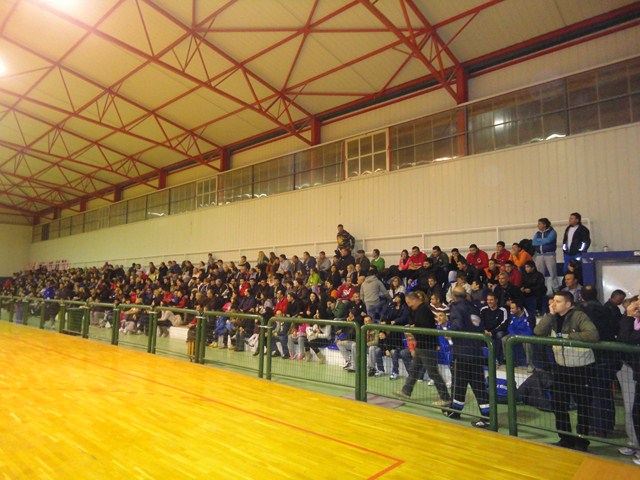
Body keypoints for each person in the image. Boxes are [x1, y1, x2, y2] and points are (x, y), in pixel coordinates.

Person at [534, 291, 599, 452]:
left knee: (583, 406)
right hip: (561, 367)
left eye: (558, 301)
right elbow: (538, 331)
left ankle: (582, 441)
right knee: (559, 404)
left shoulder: (579, 316)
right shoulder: (552, 317)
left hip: (581, 368)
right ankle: (565, 438)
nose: (553, 304)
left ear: (568, 304)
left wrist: (569, 337)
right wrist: (549, 314)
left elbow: (593, 334)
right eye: (553, 301)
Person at [394, 292, 451, 405]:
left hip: (427, 346)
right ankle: (406, 391)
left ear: (414, 300)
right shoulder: (418, 310)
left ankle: (445, 398)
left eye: (409, 302)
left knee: (433, 373)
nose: (408, 305)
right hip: (421, 345)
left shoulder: (424, 310)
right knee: (414, 370)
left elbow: (424, 326)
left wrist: (414, 328)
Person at [577, 285, 619, 437]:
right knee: (605, 392)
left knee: (590, 391)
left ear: (581, 296)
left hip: (590, 357)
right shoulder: (608, 310)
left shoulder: (580, 313)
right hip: (608, 356)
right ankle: (606, 426)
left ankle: (594, 425)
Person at [447, 288, 491, 428]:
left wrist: (449, 333)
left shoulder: (456, 307)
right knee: (479, 385)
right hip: (476, 352)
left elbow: (457, 325)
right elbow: (480, 327)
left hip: (462, 352)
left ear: (454, 297)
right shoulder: (474, 309)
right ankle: (487, 416)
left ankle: (455, 411)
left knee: (459, 383)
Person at [617, 296, 640, 463]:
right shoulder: (634, 321)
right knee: (634, 411)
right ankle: (635, 444)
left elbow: (628, 338)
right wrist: (630, 317)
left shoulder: (632, 320)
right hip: (634, 370)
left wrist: (629, 316)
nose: (637, 304)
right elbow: (624, 336)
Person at [502, 299, 536, 372]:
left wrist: (520, 337)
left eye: (512, 308)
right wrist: (514, 336)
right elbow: (510, 327)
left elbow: (530, 330)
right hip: (515, 335)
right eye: (510, 308)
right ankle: (510, 361)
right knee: (504, 339)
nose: (511, 310)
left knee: (527, 341)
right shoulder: (512, 314)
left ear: (519, 309)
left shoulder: (529, 316)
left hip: (525, 335)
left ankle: (530, 364)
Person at [481, 293, 509, 364]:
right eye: (488, 300)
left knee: (499, 335)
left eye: (491, 300)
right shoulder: (483, 309)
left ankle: (496, 358)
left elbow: (504, 324)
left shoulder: (502, 310)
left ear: (496, 300)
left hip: (497, 331)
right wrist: (484, 330)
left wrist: (492, 332)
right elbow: (480, 322)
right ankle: (482, 359)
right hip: (486, 331)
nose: (489, 302)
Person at [532, 217, 558, 293]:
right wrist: (543, 241)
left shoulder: (552, 232)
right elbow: (533, 242)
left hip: (549, 255)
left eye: (539, 224)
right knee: (540, 274)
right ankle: (541, 288)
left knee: (552, 273)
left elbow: (548, 240)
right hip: (539, 255)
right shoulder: (537, 233)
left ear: (544, 224)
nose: (538, 225)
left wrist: (539, 241)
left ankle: (555, 288)